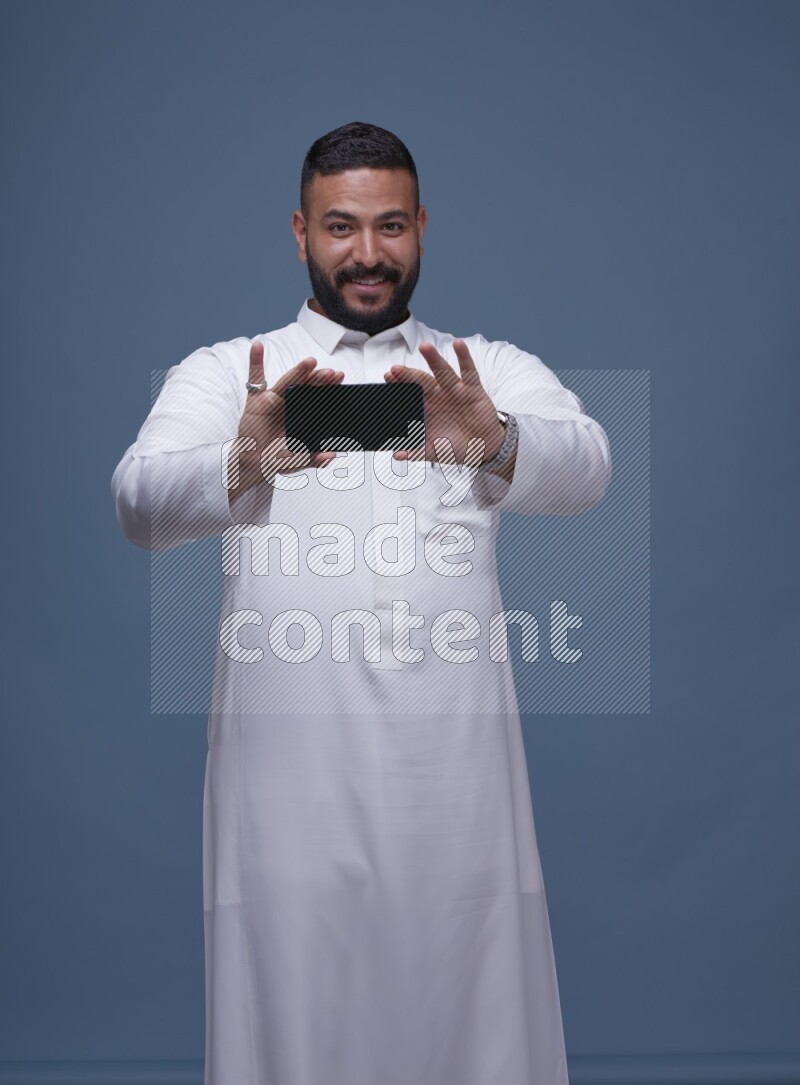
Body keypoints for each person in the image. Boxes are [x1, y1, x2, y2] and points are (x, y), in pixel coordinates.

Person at [112, 121, 611, 1085]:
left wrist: (499, 441)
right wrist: (240, 460)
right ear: (298, 232)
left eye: (390, 226)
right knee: (298, 1022)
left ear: (422, 227)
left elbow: (588, 466)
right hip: (288, 782)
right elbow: (137, 501)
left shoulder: (482, 371)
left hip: (456, 783)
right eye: (341, 227)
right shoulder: (233, 373)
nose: (369, 254)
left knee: (475, 1021)